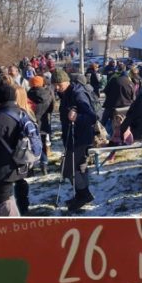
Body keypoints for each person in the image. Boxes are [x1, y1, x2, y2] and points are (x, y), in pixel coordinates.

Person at [0, 80, 31, 216]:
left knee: (3, 200)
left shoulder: (1, 117)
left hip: (2, 165)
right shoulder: (20, 112)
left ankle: (11, 225)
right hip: (15, 161)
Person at [54, 69, 98, 211]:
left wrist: (77, 117)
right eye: (54, 84)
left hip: (81, 137)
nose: (56, 87)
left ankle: (84, 195)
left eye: (59, 84)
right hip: (72, 137)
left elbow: (92, 117)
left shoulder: (78, 94)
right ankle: (81, 195)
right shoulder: (65, 93)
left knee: (67, 169)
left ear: (66, 81)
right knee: (79, 166)